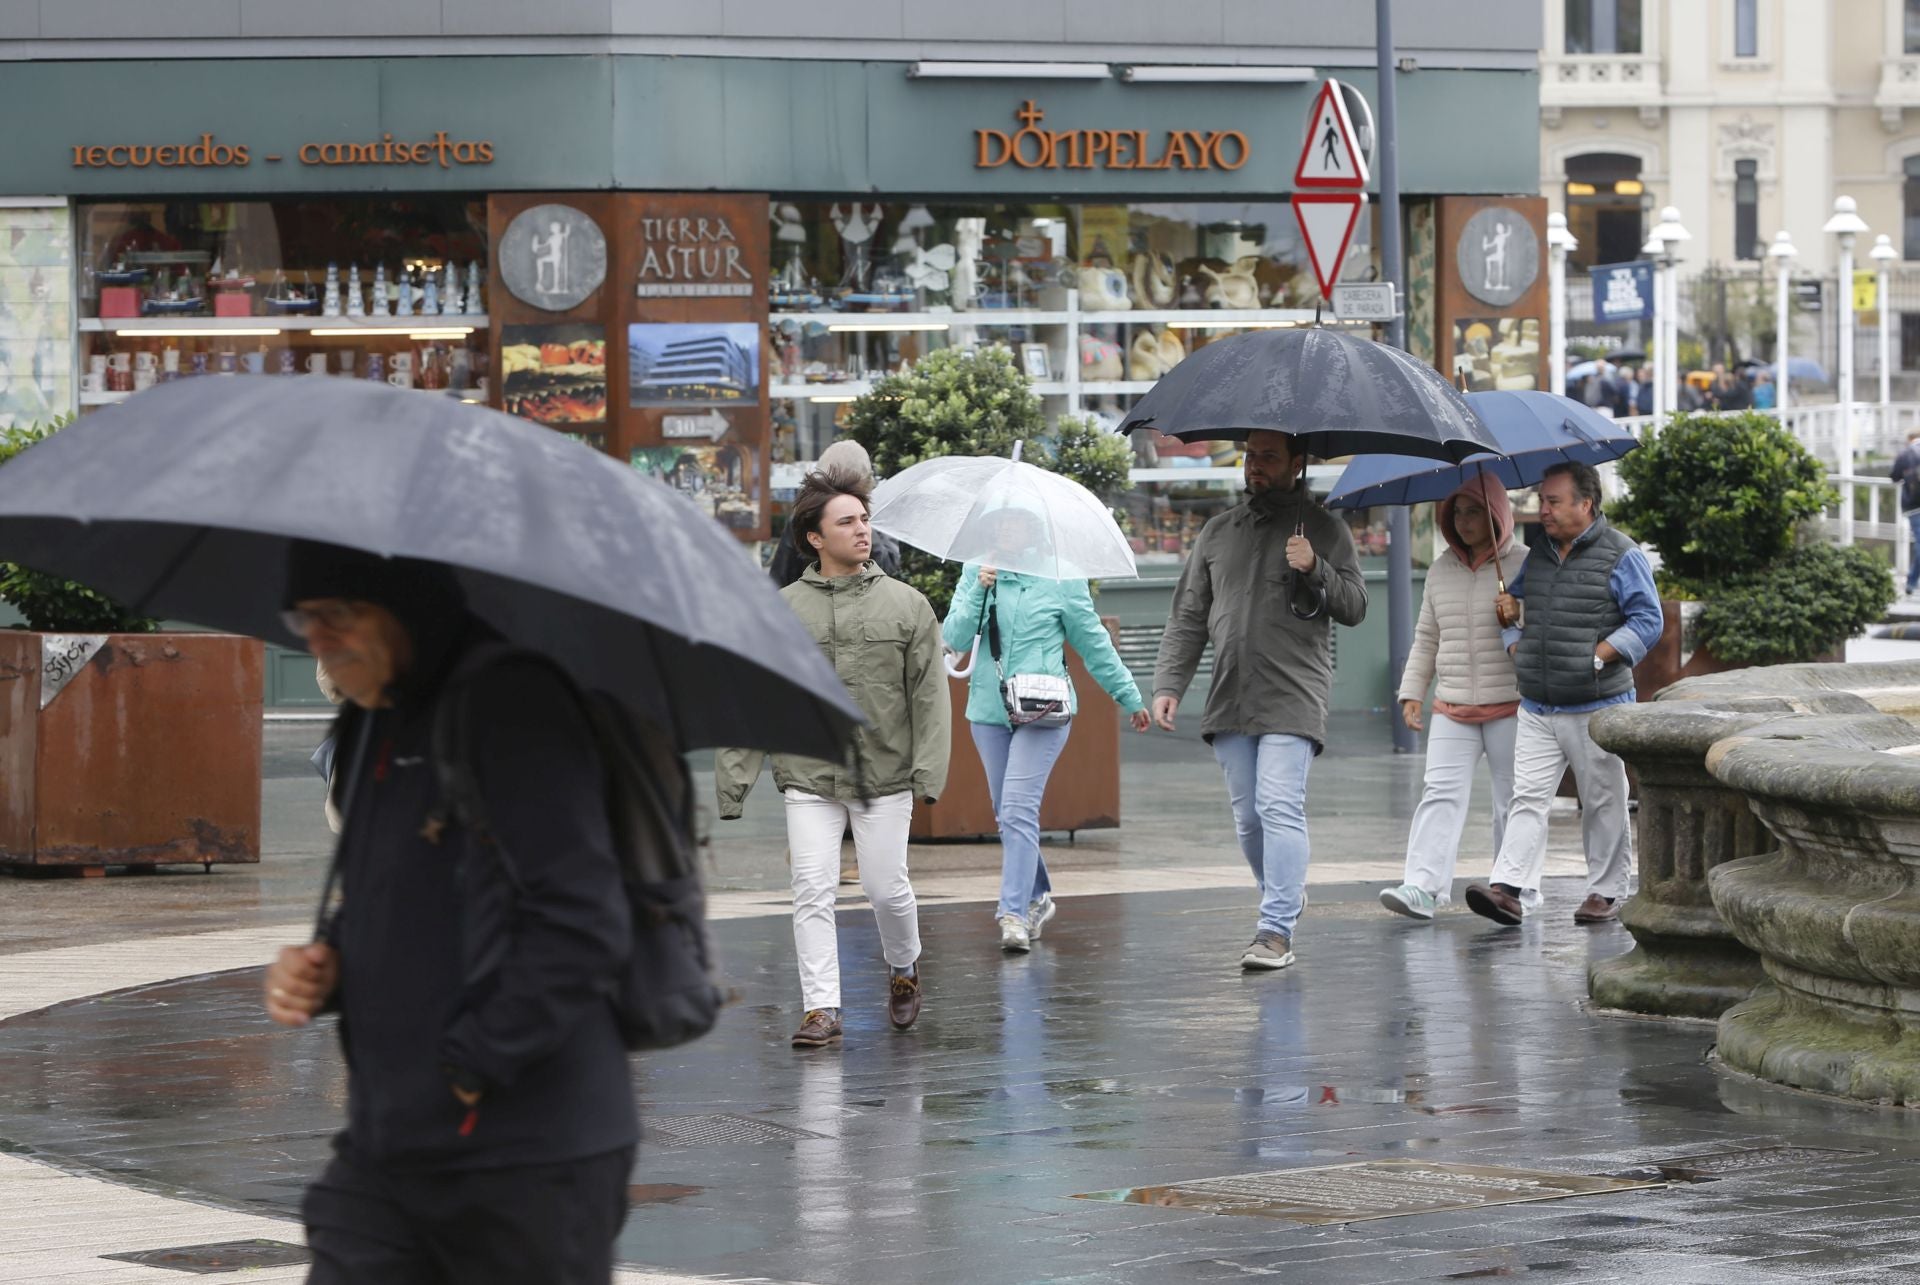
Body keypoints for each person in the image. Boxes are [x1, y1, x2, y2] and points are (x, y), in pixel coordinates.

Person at [263, 543, 635, 1284]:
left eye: (339, 615)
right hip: (390, 1149)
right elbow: (390, 885)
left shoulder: (512, 704)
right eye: (305, 618)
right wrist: (329, 961)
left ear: (405, 610)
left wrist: (472, 1063)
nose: (318, 640)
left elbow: (583, 920)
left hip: (526, 1156)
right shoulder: (374, 717)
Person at [715, 467, 949, 1049]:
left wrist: (928, 771)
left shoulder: (908, 605)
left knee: (885, 887)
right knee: (810, 889)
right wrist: (735, 780)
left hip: (884, 774)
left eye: (865, 520)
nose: (862, 531)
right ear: (814, 538)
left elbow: (929, 695)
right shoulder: (783, 610)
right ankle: (821, 1008)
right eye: (847, 522)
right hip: (808, 775)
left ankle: (904, 967)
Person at [1151, 430, 1368, 969]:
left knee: (1278, 805)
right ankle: (1284, 891)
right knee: (1249, 819)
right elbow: (1188, 617)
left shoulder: (1324, 528)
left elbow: (1357, 605)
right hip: (1231, 690)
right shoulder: (1219, 532)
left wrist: (1316, 567)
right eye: (1251, 456)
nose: (1255, 466)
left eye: (1268, 457)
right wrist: (1168, 683)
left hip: (1294, 689)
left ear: (1297, 463)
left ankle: (1274, 930)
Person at [1464, 462, 1664, 927]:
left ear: (1586, 504)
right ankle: (1508, 888)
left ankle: (1607, 891)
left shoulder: (1623, 554)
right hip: (1537, 702)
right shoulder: (1538, 555)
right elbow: (1512, 611)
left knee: (1603, 801)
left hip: (1599, 704)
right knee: (1527, 797)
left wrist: (1600, 655)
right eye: (1541, 500)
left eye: (1552, 501)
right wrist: (1513, 640)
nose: (1543, 510)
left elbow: (1648, 621)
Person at [941, 509, 1151, 952]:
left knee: (1017, 809)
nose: (1007, 530)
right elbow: (955, 637)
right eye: (1001, 522)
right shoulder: (978, 569)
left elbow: (1093, 642)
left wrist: (1129, 696)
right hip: (988, 711)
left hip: (1044, 711)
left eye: (1017, 522)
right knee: (1007, 813)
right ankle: (1038, 895)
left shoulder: (1062, 579)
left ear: (1035, 528)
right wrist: (980, 589)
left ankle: (1013, 914)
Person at [1379, 473, 1527, 921]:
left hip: (1512, 705)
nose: (1463, 522)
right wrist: (1411, 692)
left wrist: (1518, 615)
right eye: (1456, 513)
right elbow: (1426, 637)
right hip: (1453, 705)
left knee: (1513, 800)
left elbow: (1542, 636)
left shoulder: (1526, 564)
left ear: (1498, 514)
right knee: (1438, 793)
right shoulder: (1442, 568)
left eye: (1474, 511)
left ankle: (1516, 890)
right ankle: (1422, 888)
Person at [769, 438, 900, 588]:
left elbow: (888, 567)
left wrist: (864, 524)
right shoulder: (805, 518)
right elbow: (780, 580)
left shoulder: (877, 516)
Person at [1890, 427, 1920, 598]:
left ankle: (1912, 581)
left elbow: (1894, 477)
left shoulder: (1905, 454)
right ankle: (1912, 581)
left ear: (1910, 438)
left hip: (1914, 506)